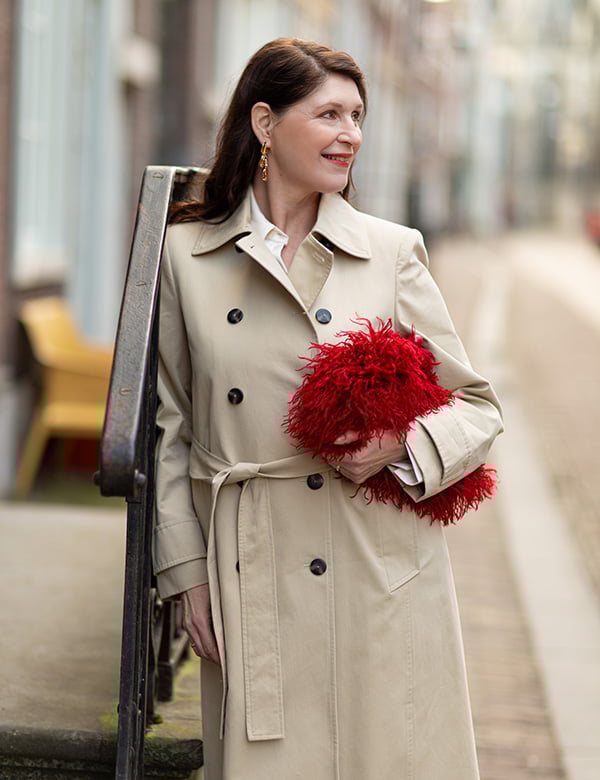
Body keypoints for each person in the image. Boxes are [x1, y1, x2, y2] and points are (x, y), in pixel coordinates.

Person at [153, 37, 503, 780]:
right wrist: (185, 573)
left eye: (359, 116)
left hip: (375, 563)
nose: (353, 134)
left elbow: (478, 407)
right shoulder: (187, 255)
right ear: (266, 124)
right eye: (331, 114)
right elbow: (171, 429)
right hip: (254, 562)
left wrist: (395, 445)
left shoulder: (391, 250)